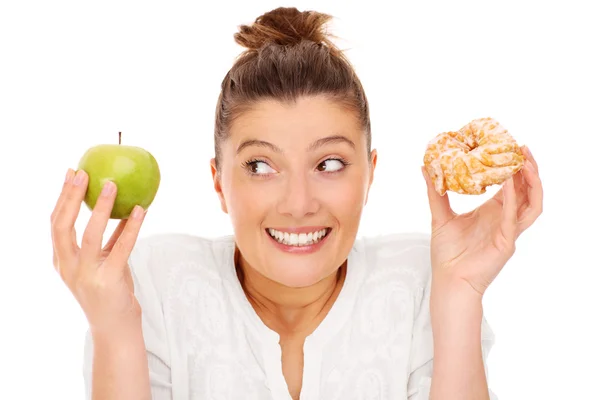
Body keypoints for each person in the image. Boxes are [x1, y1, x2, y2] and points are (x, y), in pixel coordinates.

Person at [50, 7, 543, 400]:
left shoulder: (421, 280)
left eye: (329, 164)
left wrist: (459, 292)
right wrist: (113, 327)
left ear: (370, 174)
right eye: (261, 166)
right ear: (219, 183)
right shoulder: (153, 283)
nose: (299, 204)